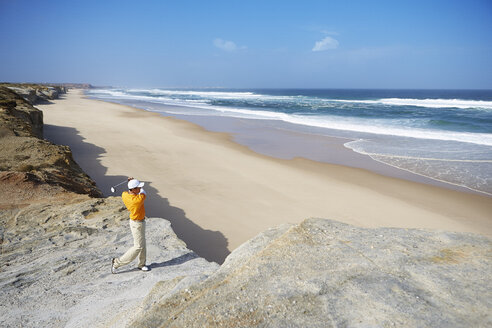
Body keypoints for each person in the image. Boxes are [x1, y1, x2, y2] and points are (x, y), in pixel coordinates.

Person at [112, 177, 149, 273]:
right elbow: (144, 193)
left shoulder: (125, 195)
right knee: (138, 246)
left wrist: (130, 182)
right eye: (138, 187)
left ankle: (142, 264)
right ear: (133, 189)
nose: (140, 189)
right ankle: (116, 263)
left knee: (143, 244)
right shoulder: (138, 200)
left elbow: (127, 191)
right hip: (137, 224)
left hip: (138, 222)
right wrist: (131, 182)